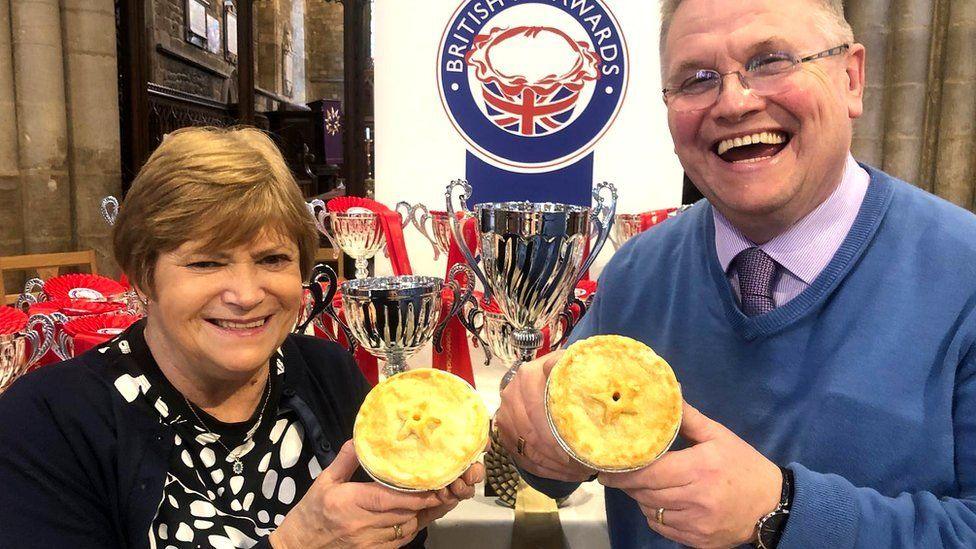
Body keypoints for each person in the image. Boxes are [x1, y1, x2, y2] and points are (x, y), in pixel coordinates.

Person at [494, 0, 976, 547]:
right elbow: (552, 471)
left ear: (851, 79)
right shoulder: (636, 274)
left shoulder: (965, 275)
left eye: (771, 61)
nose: (734, 102)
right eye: (695, 79)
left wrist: (784, 511)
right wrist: (531, 438)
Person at [0, 126, 483, 548]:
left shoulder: (328, 372)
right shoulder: (45, 422)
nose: (247, 294)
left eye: (273, 259)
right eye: (206, 262)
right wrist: (298, 546)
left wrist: (404, 517)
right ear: (142, 276)